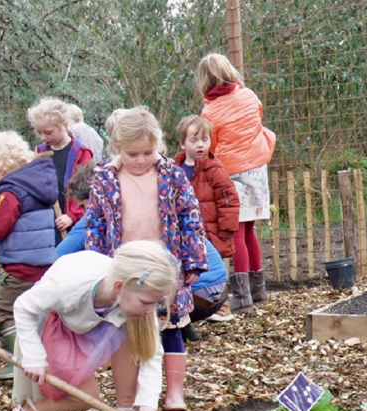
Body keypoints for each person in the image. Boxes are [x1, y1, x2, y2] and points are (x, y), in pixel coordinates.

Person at [0, 240, 179, 411]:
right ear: (119, 287)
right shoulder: (70, 284)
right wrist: (35, 356)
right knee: (86, 398)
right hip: (65, 325)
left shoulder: (139, 306)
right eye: (147, 302)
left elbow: (151, 354)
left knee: (133, 332)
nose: (151, 310)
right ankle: (33, 409)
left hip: (109, 328)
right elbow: (24, 307)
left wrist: (147, 407)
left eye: (155, 303)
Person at [84, 106, 208, 411]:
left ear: (159, 146)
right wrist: (96, 263)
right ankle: (135, 391)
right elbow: (95, 223)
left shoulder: (172, 175)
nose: (140, 160)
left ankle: (175, 391)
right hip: (124, 265)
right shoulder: (105, 179)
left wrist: (193, 261)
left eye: (147, 153)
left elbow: (190, 217)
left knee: (171, 325)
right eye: (133, 154)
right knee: (125, 328)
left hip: (166, 263)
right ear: (117, 148)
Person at [58, 164, 229, 335]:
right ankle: (180, 329)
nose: (83, 212)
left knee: (128, 286)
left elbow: (59, 256)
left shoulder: (97, 215)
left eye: (82, 206)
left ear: (94, 195)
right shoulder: (142, 204)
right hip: (218, 290)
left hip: (193, 293)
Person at [198, 53, 276, 312]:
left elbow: (212, 146)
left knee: (238, 233)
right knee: (250, 229)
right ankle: (259, 288)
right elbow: (257, 122)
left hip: (232, 174)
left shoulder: (209, 112)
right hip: (257, 169)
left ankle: (242, 296)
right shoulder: (250, 95)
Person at [0, 131, 59, 382]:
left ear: (1, 167)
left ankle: (18, 363)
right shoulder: (37, 185)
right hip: (43, 262)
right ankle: (44, 357)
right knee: (36, 313)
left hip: (22, 267)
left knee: (5, 310)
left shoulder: (11, 193)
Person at [173, 115, 240, 323]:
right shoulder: (176, 168)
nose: (200, 145)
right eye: (194, 140)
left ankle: (223, 306)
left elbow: (228, 198)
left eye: (204, 140)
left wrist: (226, 229)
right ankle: (194, 303)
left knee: (217, 265)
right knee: (192, 267)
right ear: (183, 143)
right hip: (188, 231)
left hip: (212, 230)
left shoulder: (214, 168)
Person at [27, 97, 95, 233]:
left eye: (48, 133)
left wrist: (72, 216)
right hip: (47, 221)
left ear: (64, 124)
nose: (43, 138)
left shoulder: (81, 153)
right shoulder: (40, 152)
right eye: (39, 133)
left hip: (72, 223)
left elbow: (86, 192)